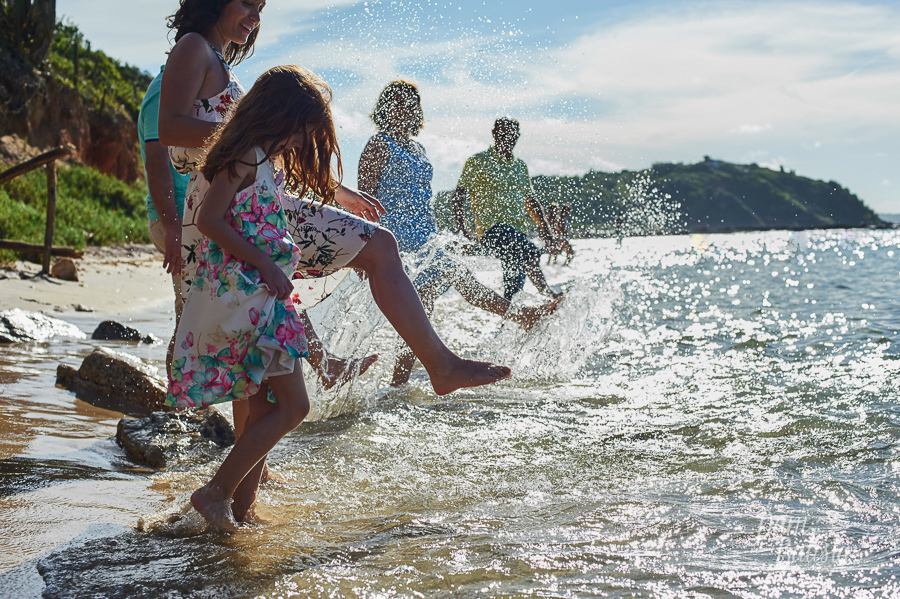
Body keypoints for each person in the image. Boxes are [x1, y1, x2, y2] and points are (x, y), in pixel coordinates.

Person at [167, 65, 511, 530]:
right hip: (248, 301)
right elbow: (210, 219)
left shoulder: (261, 157)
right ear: (274, 116)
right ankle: (216, 493)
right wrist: (267, 264)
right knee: (292, 407)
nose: (297, 144)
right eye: (297, 133)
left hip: (261, 299)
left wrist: (279, 258)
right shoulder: (244, 156)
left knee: (268, 409)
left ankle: (236, 513)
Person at [157, 0, 386, 459]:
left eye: (261, 8)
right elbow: (168, 129)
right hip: (220, 217)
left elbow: (275, 150)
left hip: (243, 208)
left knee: (252, 374)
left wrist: (337, 192)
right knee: (378, 249)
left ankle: (244, 478)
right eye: (247, 3)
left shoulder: (219, 61)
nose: (255, 17)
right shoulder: (193, 47)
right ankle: (233, 482)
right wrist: (247, 136)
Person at [139, 65, 376, 389]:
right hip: (194, 228)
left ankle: (314, 369)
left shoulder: (259, 150)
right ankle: (183, 406)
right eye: (297, 134)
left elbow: (285, 174)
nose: (297, 144)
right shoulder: (178, 87)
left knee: (261, 388)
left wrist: (335, 192)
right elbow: (162, 164)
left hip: (246, 264)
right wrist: (172, 226)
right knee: (194, 324)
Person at [358, 81, 561, 385]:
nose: (404, 109)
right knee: (435, 300)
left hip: (425, 239)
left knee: (427, 309)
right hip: (395, 242)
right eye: (397, 103)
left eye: (410, 104)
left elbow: (422, 197)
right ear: (385, 109)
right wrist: (364, 249)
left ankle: (398, 385)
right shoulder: (378, 144)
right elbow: (363, 198)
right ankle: (521, 316)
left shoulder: (419, 148)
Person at [451, 117, 564, 300]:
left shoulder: (520, 166)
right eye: (503, 133)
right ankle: (548, 294)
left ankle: (511, 321)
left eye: (512, 134)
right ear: (494, 134)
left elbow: (532, 202)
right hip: (492, 231)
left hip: (518, 233)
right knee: (530, 252)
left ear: (517, 136)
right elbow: (458, 196)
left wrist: (548, 233)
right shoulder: (478, 161)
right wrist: (462, 230)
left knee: (514, 290)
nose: (508, 137)